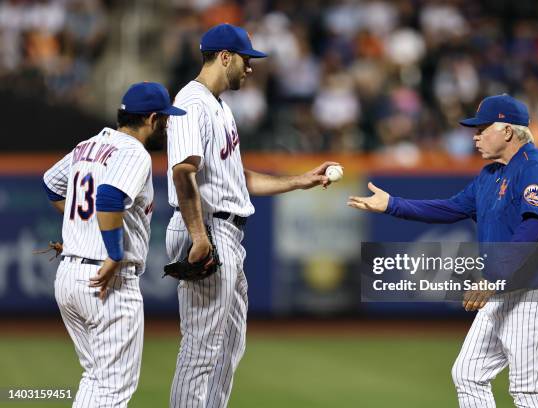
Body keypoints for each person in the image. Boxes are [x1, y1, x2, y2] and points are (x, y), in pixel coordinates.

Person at [348, 94, 538, 408]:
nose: (475, 135)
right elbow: (449, 208)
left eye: (482, 128)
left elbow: (532, 229)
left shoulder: (537, 168)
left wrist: (492, 277)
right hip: (504, 287)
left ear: (508, 131)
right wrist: (392, 205)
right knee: (468, 374)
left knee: (527, 390)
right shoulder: (490, 176)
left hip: (536, 289)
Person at [165, 23, 338, 407]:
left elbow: (237, 179)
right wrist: (198, 237)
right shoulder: (191, 103)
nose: (251, 67)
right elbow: (183, 171)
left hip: (225, 230)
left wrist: (299, 181)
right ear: (224, 57)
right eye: (246, 59)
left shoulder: (219, 107)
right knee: (201, 349)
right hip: (207, 228)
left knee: (228, 346)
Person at [43, 82, 186, 407]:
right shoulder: (134, 152)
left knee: (96, 379)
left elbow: (51, 185)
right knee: (111, 389)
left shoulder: (88, 145)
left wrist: (85, 229)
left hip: (70, 277)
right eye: (165, 118)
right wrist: (113, 251)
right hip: (106, 282)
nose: (167, 124)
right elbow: (108, 196)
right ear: (152, 119)